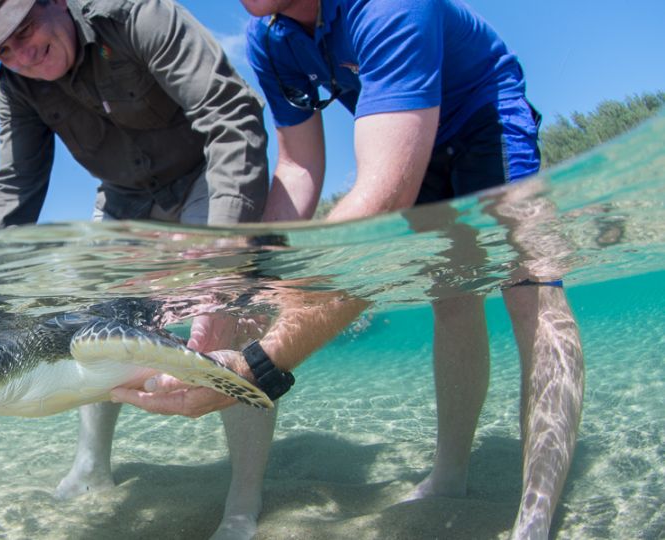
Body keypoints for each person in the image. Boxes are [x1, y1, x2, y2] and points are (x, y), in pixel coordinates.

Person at [112, 1, 585, 539]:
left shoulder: (388, 7)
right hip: (412, 145)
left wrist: (261, 360)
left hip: (483, 116)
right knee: (451, 297)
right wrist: (246, 281)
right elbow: (298, 165)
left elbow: (381, 200)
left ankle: (537, 514)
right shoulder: (269, 40)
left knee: (532, 288)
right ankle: (450, 473)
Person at [0, 0, 276, 537]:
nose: (22, 53)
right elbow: (15, 186)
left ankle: (243, 503)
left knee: (228, 320)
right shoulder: (15, 85)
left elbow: (230, 115)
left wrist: (222, 256)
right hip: (124, 202)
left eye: (25, 29)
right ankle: (92, 464)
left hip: (206, 177)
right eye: (3, 48)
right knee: (89, 323)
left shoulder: (137, 15)